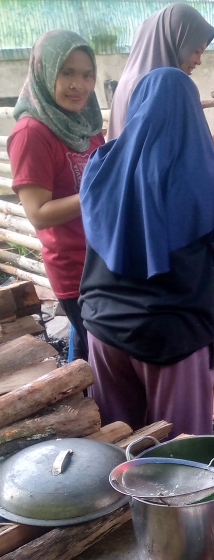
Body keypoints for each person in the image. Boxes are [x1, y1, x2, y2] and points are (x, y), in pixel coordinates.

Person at [107, 2, 214, 431]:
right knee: (181, 445)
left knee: (123, 426)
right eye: (194, 49)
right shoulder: (166, 88)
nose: (198, 58)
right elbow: (184, 155)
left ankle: (212, 402)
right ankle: (212, 409)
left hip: (112, 301)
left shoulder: (130, 92)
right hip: (168, 272)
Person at [79, 67, 214, 438]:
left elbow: (95, 229)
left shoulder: (100, 164)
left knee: (117, 441)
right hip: (172, 336)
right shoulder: (203, 177)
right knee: (178, 453)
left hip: (103, 326)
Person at [7, 30, 104, 361]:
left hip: (103, 258)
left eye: (87, 74)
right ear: (44, 72)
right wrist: (100, 192)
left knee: (93, 352)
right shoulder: (32, 133)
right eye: (67, 72)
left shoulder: (86, 123)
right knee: (105, 354)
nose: (79, 85)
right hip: (75, 270)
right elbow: (38, 213)